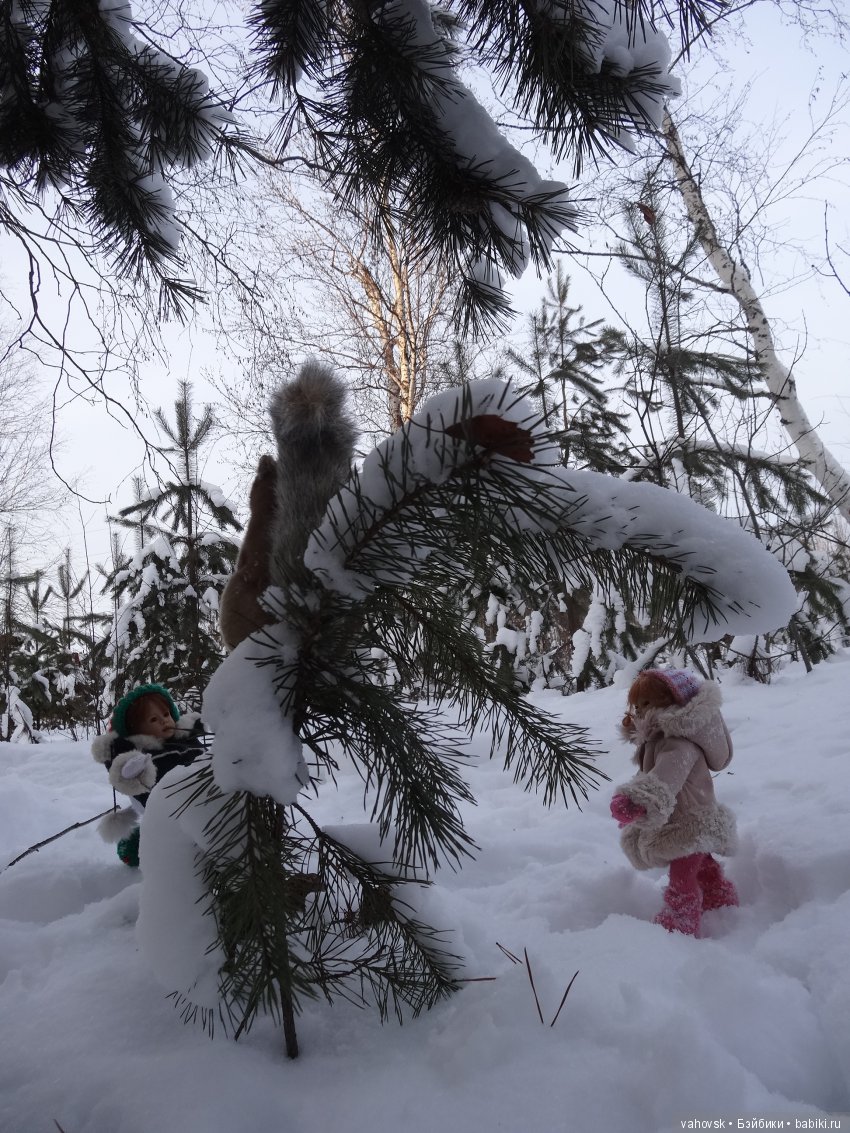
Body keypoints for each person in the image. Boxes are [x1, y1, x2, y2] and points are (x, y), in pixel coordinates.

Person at [610, 668, 739, 936]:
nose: (640, 710)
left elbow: (665, 778)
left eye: (648, 703)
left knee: (683, 877)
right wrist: (638, 803)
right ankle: (719, 898)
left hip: (690, 824)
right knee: (702, 866)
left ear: (672, 703)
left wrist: (637, 801)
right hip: (687, 820)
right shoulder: (658, 739)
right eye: (637, 704)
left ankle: (679, 921)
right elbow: (648, 774)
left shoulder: (679, 744)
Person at [92, 684, 206, 866]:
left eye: (166, 714)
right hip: (168, 812)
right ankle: (144, 844)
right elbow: (135, 785)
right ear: (136, 730)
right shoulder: (139, 758)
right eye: (153, 719)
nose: (164, 721)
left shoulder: (186, 738)